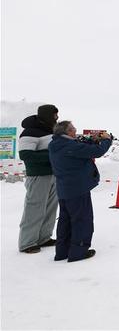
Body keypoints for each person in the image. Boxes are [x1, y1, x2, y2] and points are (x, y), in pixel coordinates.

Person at [48, 121, 112, 262]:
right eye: (73, 129)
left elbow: (80, 149)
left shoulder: (55, 144)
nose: (76, 131)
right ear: (67, 132)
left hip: (64, 189)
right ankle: (79, 252)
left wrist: (91, 141)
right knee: (82, 220)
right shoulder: (70, 146)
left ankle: (62, 252)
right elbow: (98, 151)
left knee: (65, 221)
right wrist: (107, 140)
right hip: (77, 189)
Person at [18, 104, 59, 254]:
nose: (57, 118)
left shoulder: (50, 131)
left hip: (53, 174)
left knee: (50, 208)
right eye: (55, 115)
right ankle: (27, 242)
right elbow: (26, 155)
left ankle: (43, 237)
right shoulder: (30, 132)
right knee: (34, 208)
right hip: (38, 176)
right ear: (47, 116)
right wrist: (53, 155)